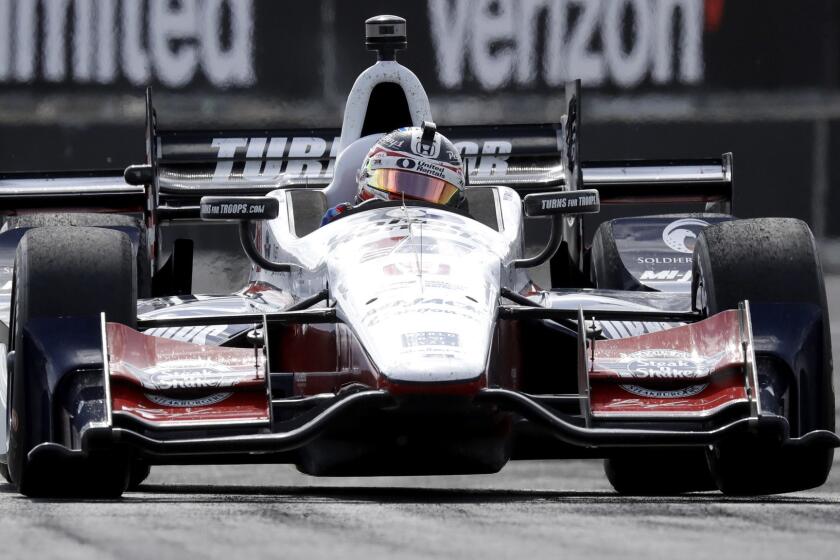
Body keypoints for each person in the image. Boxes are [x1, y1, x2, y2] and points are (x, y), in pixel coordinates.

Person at [321, 121, 466, 226]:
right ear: (366, 176)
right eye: (400, 183)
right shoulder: (339, 220)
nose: (410, 202)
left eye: (432, 190)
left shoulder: (468, 236)